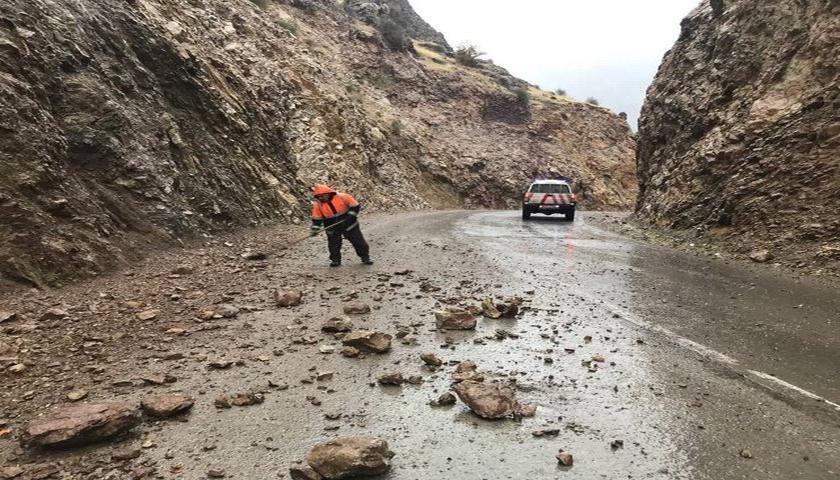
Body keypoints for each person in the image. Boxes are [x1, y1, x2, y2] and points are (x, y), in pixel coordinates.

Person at [310, 184, 373, 267]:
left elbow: (355, 207)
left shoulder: (343, 197)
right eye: (318, 197)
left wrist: (350, 217)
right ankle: (335, 260)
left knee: (358, 242)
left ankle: (365, 257)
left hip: (349, 223)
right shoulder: (318, 204)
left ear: (328, 193)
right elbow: (316, 219)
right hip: (332, 226)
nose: (320, 198)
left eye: (322, 196)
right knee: (334, 245)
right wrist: (315, 229)